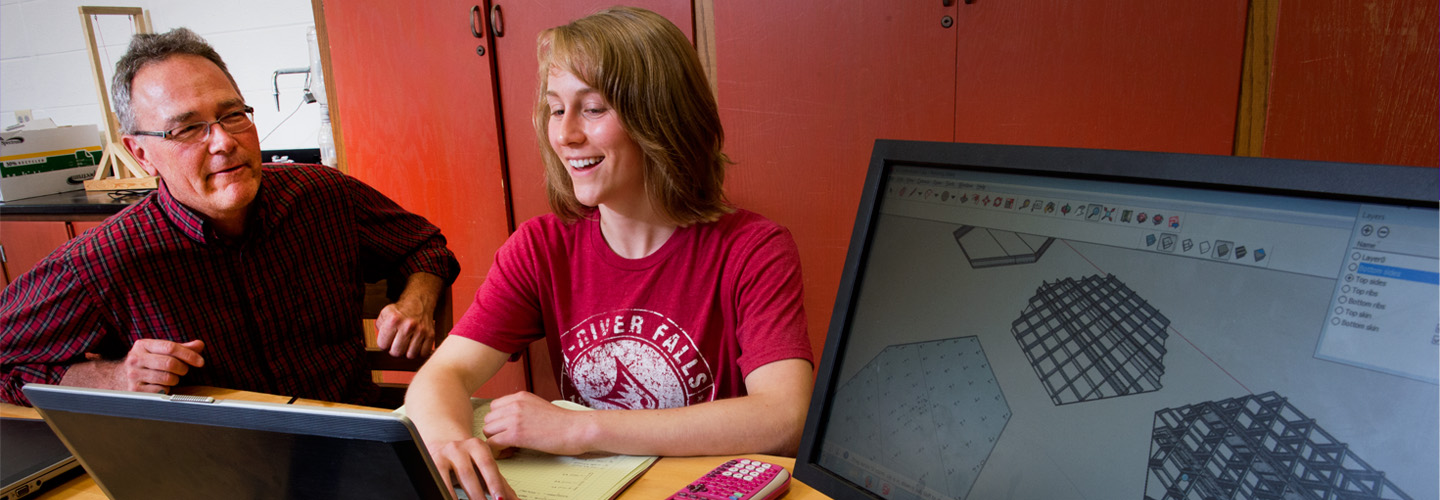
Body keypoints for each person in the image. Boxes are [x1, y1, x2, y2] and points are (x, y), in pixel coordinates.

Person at [405, 6, 814, 499]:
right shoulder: (541, 248)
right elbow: (444, 373)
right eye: (557, 109)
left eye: (593, 108)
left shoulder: (753, 249)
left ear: (662, 116)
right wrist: (450, 441)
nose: (565, 134)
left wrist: (581, 430)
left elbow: (785, 417)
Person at [0, 28, 459, 408]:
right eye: (186, 128)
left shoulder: (322, 194)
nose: (222, 142)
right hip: (214, 466)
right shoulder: (105, 260)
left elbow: (424, 246)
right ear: (141, 154)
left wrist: (417, 299)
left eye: (232, 115)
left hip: (349, 435)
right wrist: (111, 376)